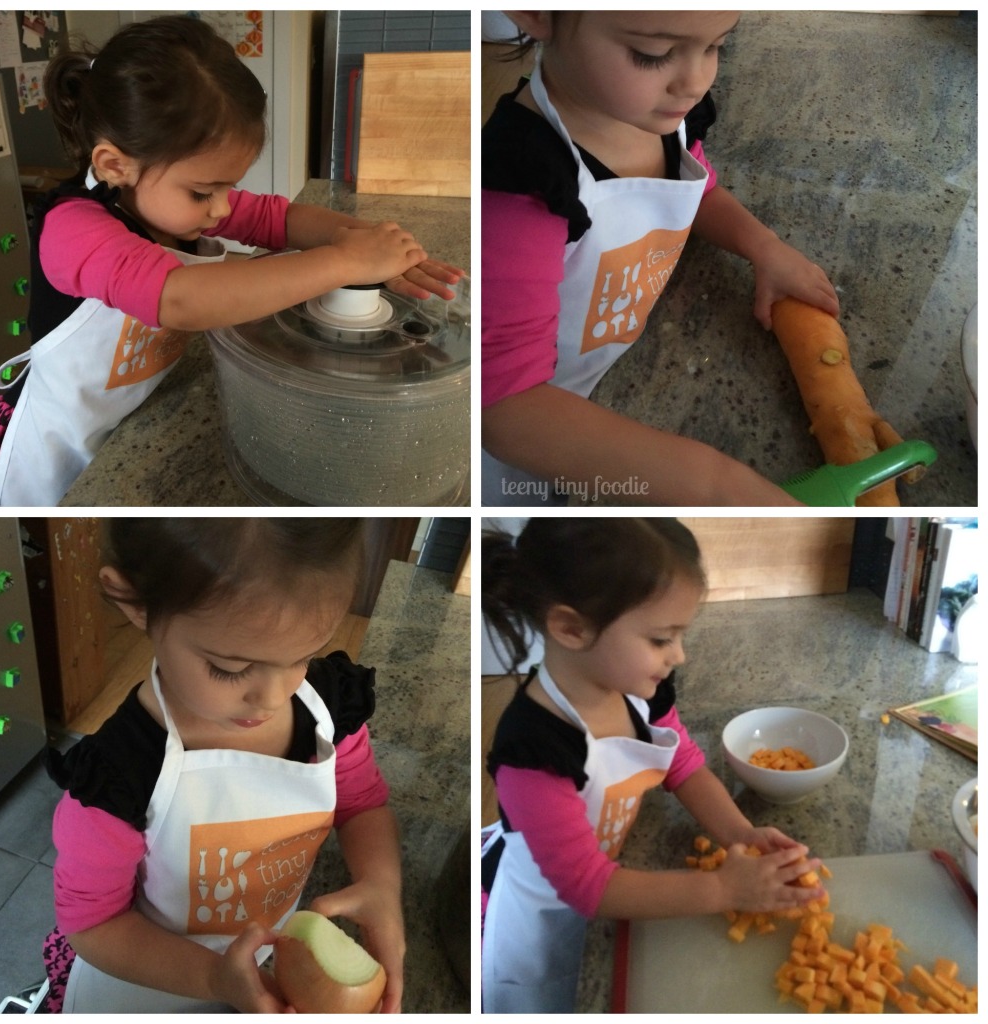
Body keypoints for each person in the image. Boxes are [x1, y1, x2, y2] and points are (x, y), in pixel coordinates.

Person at [0, 15, 463, 507]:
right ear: (114, 166)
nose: (224, 208)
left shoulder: (170, 202)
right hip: (46, 452)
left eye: (228, 186)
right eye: (204, 191)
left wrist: (372, 245)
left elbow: (277, 219)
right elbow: (180, 299)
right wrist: (342, 263)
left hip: (125, 416)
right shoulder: (73, 231)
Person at [43, 518, 404, 1013]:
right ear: (135, 602)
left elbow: (362, 803)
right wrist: (216, 978)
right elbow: (93, 924)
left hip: (270, 970)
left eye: (302, 656)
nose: (274, 697)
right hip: (152, 981)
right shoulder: (117, 777)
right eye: (230, 669)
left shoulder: (327, 712)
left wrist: (381, 883)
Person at [481, 11, 840, 506]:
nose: (695, 82)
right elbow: (505, 408)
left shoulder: (654, 116)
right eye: (652, 55)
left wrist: (764, 246)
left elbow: (696, 187)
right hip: (536, 432)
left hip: (600, 370)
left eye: (716, 46)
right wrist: (718, 486)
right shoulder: (523, 182)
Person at [481, 518, 823, 1012]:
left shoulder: (641, 691)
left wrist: (740, 835)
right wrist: (725, 888)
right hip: (541, 922)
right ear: (571, 628)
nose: (678, 656)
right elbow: (587, 885)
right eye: (662, 639)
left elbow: (682, 764)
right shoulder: (532, 751)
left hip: (611, 883)